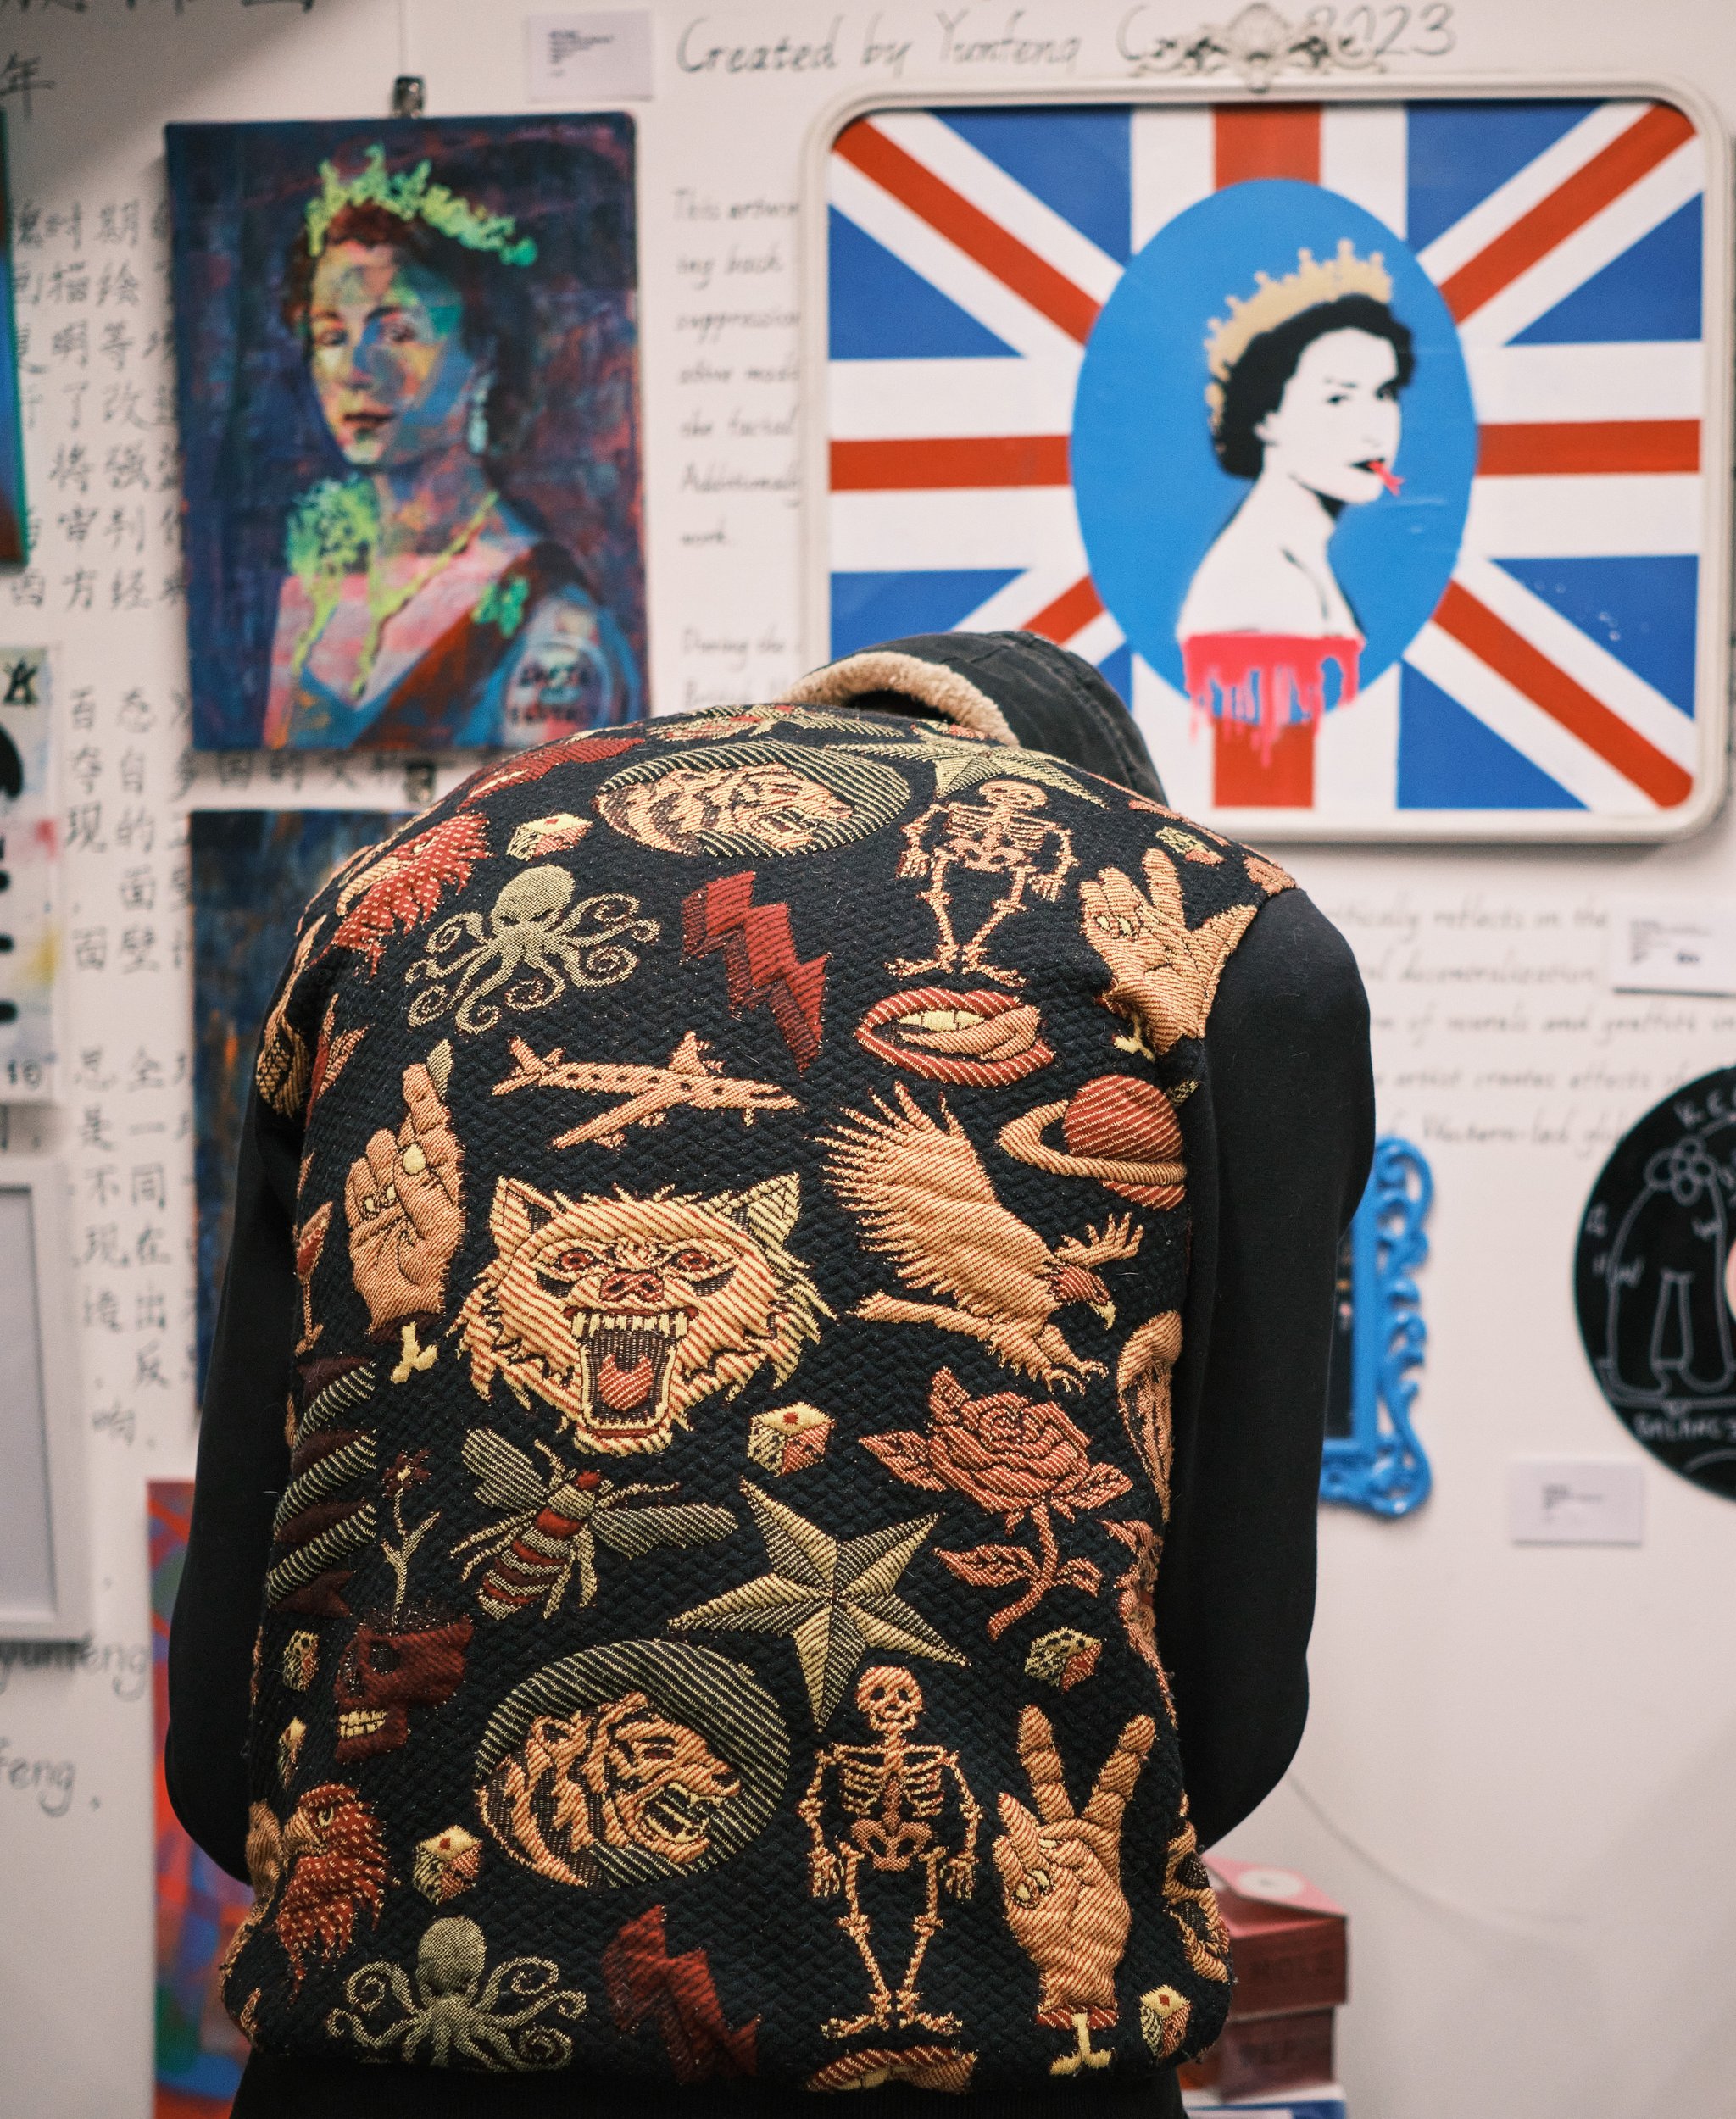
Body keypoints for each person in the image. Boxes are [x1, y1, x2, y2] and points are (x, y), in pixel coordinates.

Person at [169, 630, 1372, 2116]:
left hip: (383, 2064)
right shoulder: (1225, 935)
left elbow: (224, 1721)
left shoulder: (388, 890)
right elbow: (1232, 1702)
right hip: (987, 2073)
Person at [261, 145, 638, 752]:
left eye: (397, 332)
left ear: (483, 352)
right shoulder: (311, 590)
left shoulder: (553, 625)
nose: (356, 369)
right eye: (331, 336)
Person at [1178, 240, 1413, 748]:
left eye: (1384, 393)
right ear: (1266, 416)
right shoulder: (1265, 583)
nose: (1373, 428)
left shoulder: (1301, 560)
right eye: (1338, 398)